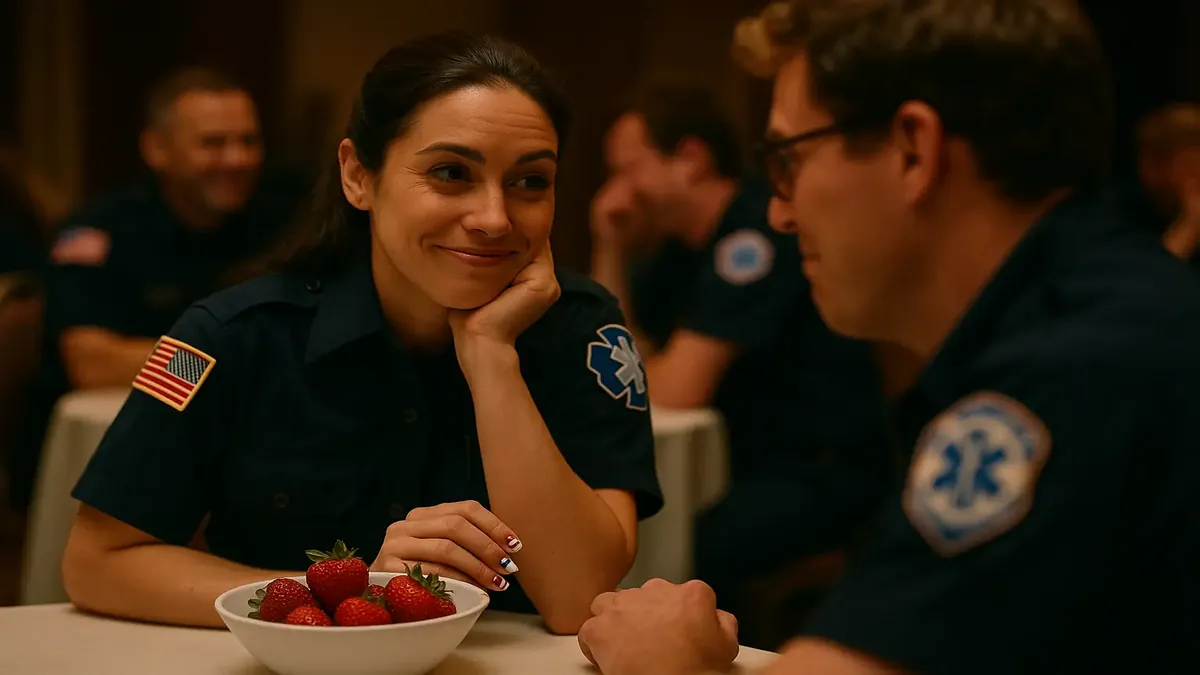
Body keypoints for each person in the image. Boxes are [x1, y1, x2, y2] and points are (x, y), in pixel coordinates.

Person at [577, 1, 1200, 674]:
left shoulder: (1072, 368)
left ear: (913, 151)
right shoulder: (1112, 306)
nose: (780, 212)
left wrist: (671, 662)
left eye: (789, 160)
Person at [61, 32, 662, 633]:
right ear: (358, 176)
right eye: (451, 173)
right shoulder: (232, 335)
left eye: (530, 182)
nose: (493, 218)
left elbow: (577, 598)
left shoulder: (582, 327)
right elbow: (97, 562)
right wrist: (344, 593)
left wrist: (490, 356)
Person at [590, 85, 889, 634]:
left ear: (690, 159)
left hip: (822, 467)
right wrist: (609, 247)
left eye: (628, 170)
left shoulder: (753, 236)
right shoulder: (677, 250)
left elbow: (675, 390)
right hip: (741, 458)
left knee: (697, 542)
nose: (616, 194)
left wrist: (653, 367)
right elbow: (623, 358)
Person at [5, 67, 305, 512]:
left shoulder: (285, 225)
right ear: (157, 149)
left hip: (243, 453)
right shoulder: (99, 231)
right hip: (105, 462)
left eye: (248, 141)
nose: (237, 159)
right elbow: (93, 363)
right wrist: (232, 359)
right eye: (213, 143)